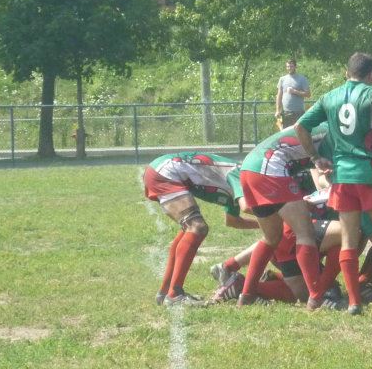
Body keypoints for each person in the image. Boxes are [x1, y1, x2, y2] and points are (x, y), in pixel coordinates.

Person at [295, 52, 372, 314]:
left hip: (342, 177)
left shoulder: (329, 97)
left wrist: (314, 157)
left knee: (349, 240)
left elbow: (301, 126)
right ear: (371, 75)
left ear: (347, 73)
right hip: (369, 174)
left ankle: (354, 302)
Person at [234, 123, 335, 309]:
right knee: (305, 233)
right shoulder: (339, 130)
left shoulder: (319, 126)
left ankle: (247, 295)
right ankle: (316, 298)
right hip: (270, 167)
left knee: (271, 237)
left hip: (249, 167)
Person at [143, 151, 244, 305]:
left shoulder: (241, 185)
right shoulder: (242, 178)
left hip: (164, 170)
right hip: (167, 172)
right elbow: (249, 207)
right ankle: (175, 294)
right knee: (196, 227)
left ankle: (165, 292)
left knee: (189, 228)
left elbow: (233, 221)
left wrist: (261, 226)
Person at [275, 58, 311, 128]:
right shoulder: (282, 79)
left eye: (291, 66)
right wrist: (277, 110)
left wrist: (295, 92)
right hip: (286, 113)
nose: (289, 68)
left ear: (295, 67)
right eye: (288, 66)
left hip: (298, 112)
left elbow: (308, 94)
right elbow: (279, 96)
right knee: (287, 135)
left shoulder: (302, 79)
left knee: (299, 133)